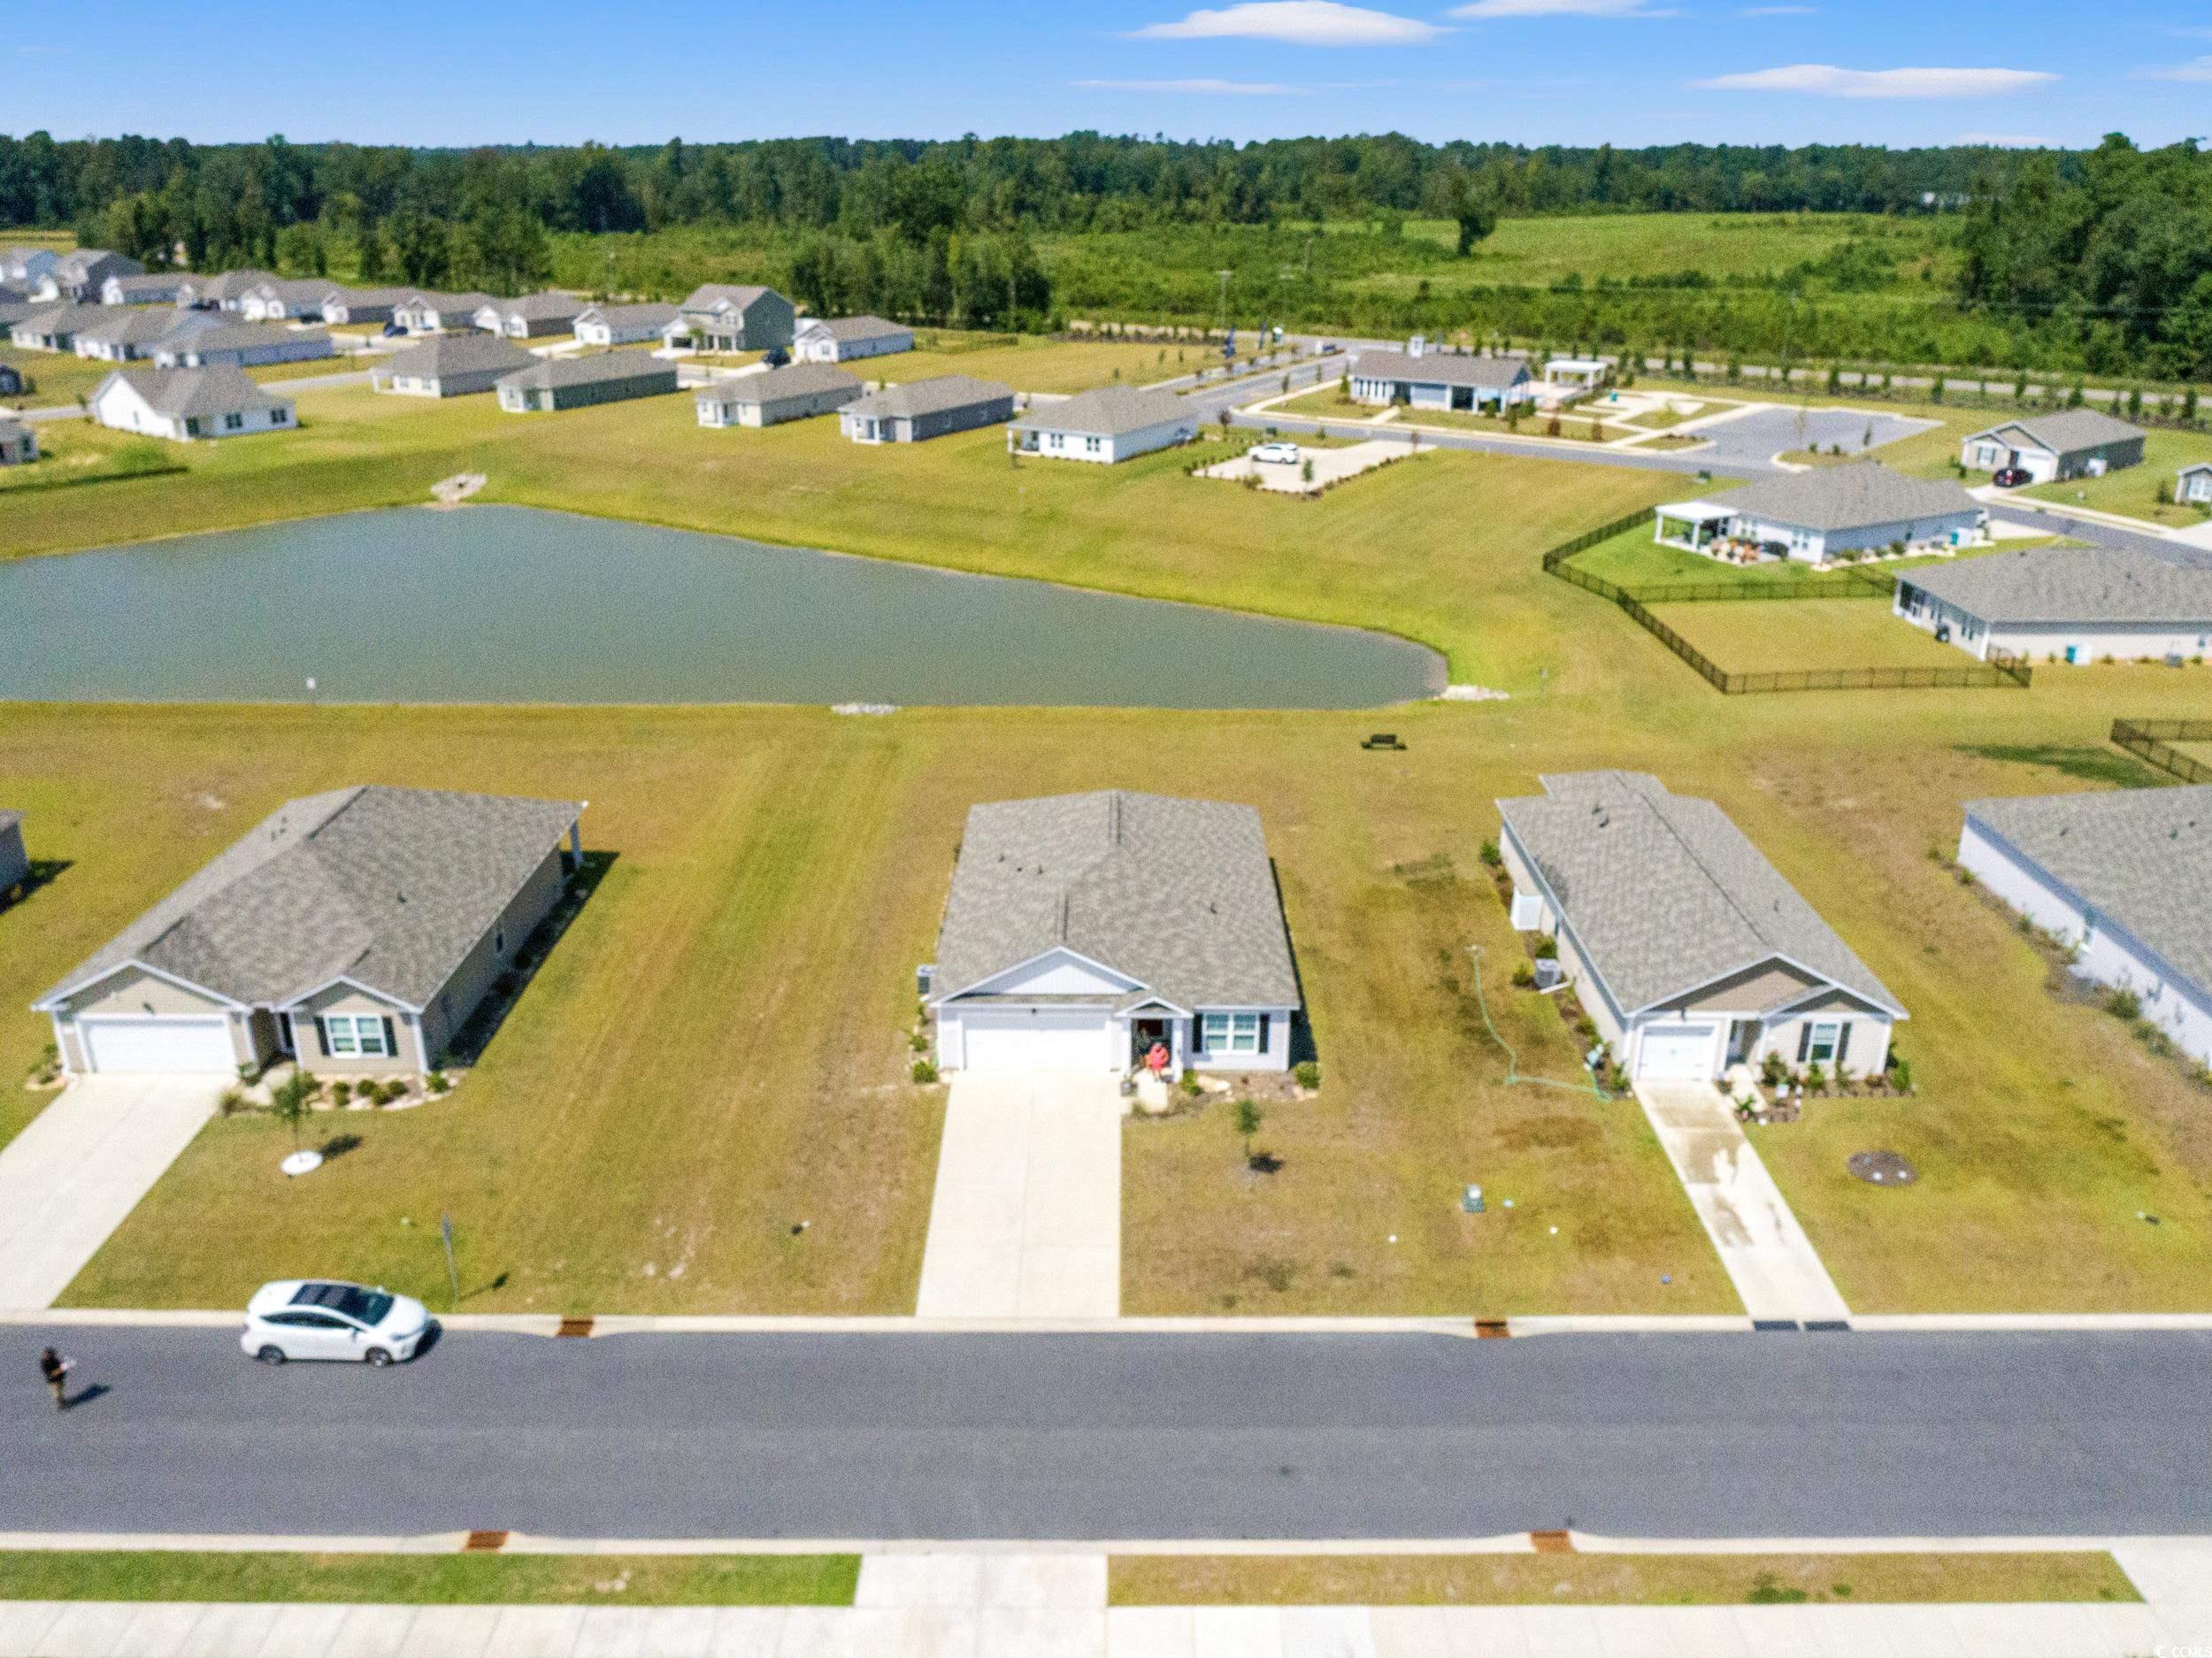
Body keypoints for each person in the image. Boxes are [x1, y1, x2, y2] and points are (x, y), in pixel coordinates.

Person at [39, 1347, 72, 1411]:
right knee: (57, 1393)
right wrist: (60, 1369)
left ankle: (62, 1400)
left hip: (60, 1379)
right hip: (53, 1381)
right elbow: (51, 1373)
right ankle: (60, 1404)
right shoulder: (45, 1363)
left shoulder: (54, 1360)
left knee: (61, 1389)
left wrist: (63, 1367)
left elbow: (59, 1366)